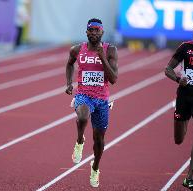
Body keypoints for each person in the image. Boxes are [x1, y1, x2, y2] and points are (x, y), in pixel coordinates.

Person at [65, 18, 118, 188]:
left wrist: (102, 58)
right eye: (91, 30)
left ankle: (95, 167)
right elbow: (69, 64)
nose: (94, 33)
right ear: (86, 32)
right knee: (82, 117)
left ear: (102, 32)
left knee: (99, 141)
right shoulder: (77, 49)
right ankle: (80, 141)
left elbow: (114, 79)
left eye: (97, 30)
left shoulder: (110, 50)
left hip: (102, 99)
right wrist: (68, 83)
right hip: (84, 95)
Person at [165, 18, 193, 191]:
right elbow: (167, 69)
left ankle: (190, 177)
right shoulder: (185, 48)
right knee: (179, 139)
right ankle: (179, 119)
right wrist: (178, 78)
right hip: (184, 97)